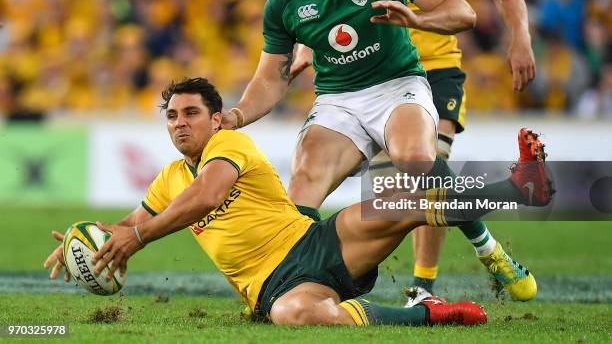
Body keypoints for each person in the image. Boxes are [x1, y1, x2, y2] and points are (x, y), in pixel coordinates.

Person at [221, 0, 548, 303]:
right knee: (303, 185)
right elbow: (271, 77)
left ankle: (485, 251)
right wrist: (235, 114)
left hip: (399, 85)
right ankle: (294, 289)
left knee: (415, 163)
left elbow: (464, 12)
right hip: (338, 99)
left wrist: (419, 18)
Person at [43, 77, 551, 325]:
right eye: (172, 116)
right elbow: (129, 224)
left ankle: (519, 187)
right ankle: (434, 316)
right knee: (293, 315)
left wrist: (139, 236)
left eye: (190, 113)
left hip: (317, 242)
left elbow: (208, 195)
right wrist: (81, 243)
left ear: (216, 119)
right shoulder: (168, 178)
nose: (180, 123)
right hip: (272, 287)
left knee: (405, 196)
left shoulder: (229, 145)